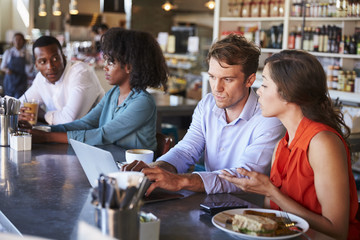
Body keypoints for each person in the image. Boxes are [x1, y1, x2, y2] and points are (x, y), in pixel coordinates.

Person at [219, 50, 360, 239]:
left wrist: (270, 191)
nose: (258, 91)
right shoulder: (282, 144)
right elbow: (280, 218)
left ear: (287, 94)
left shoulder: (322, 143)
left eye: (266, 85)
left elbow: (337, 230)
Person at [123, 34, 285, 194]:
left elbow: (243, 176)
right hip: (209, 201)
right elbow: (186, 150)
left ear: (250, 80)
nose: (217, 88)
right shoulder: (208, 104)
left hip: (247, 207)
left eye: (227, 79)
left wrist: (181, 181)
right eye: (212, 77)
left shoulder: (269, 118)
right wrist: (155, 169)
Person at [26, 28, 168, 151]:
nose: (105, 67)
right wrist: (40, 130)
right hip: (114, 163)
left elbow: (103, 135)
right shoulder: (113, 94)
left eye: (111, 62)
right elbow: (85, 124)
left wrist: (46, 137)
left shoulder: (143, 103)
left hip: (136, 173)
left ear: (129, 66)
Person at [18, 36, 105, 125]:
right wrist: (22, 113)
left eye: (55, 59)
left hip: (95, 134)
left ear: (63, 58)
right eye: (43, 62)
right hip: (67, 135)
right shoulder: (41, 79)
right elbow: (19, 104)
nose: (50, 67)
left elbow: (70, 120)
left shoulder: (80, 73)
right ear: (36, 65)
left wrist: (42, 115)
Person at [1, 32, 33, 98]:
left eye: (20, 40)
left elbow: (30, 68)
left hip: (21, 82)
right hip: (10, 82)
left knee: (19, 101)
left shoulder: (27, 54)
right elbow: (2, 67)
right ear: (13, 41)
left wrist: (30, 70)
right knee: (8, 101)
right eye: (16, 39)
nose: (18, 42)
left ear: (23, 41)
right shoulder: (8, 52)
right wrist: (7, 70)